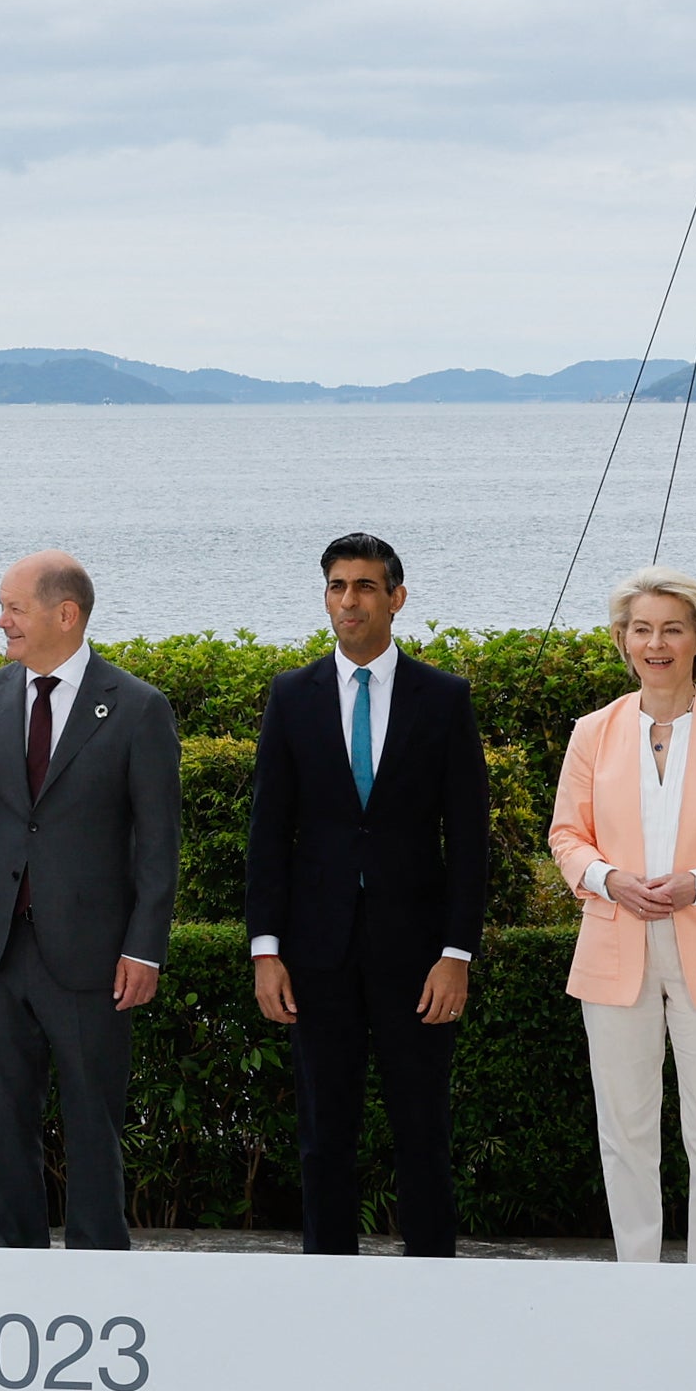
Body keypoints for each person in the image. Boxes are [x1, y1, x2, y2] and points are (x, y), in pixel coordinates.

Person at [244, 533, 489, 1256]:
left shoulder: (443, 698)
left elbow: (468, 839)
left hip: (417, 957)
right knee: (323, 1133)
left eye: (363, 586)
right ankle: (328, 1282)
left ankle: (431, 1281)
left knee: (422, 1130)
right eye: (335, 586)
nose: (347, 600)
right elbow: (268, 832)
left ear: (396, 598)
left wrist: (455, 952)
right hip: (315, 954)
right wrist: (266, 949)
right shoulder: (292, 694)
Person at [548, 566, 696, 1266]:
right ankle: (637, 1278)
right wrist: (607, 878)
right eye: (641, 628)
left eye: (671, 628)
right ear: (622, 641)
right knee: (622, 1130)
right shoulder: (590, 733)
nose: (654, 642)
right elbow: (565, 835)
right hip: (612, 946)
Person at [0, 551, 178, 1251]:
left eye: (13, 607)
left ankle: (99, 1269)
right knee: (2, 1119)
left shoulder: (136, 708)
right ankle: (15, 1267)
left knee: (92, 1124)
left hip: (94, 958)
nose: (0, 619)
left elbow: (158, 846)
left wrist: (142, 946)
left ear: (63, 614)